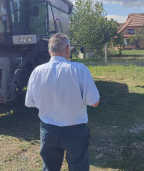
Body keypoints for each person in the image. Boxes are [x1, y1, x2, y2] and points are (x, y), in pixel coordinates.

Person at [25, 33, 100, 171]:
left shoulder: (37, 71)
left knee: (49, 168)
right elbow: (94, 102)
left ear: (49, 52)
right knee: (79, 167)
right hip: (75, 129)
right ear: (67, 48)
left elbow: (30, 102)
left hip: (48, 129)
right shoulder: (79, 69)